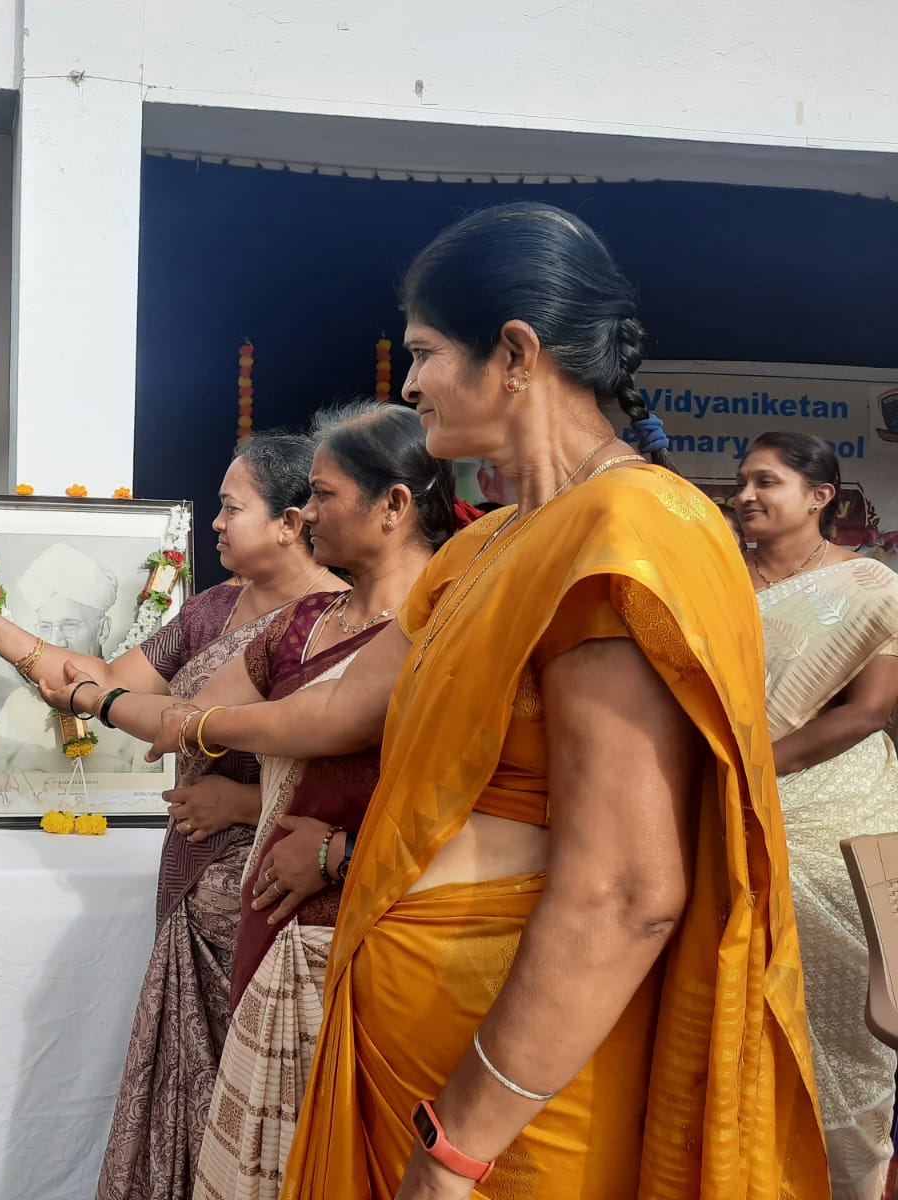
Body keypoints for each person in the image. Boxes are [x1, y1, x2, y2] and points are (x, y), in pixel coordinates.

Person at [143, 203, 827, 1198]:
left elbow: (627, 893)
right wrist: (163, 714)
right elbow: (340, 709)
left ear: (513, 353)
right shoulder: (485, 545)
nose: (409, 382)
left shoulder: (623, 533)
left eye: (423, 352)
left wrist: (458, 1145)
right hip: (403, 1042)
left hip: (510, 1106)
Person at [59, 402, 462, 1200]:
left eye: (323, 495)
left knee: (356, 1161)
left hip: (382, 936)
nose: (306, 514)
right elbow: (183, 716)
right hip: (273, 925)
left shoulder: (451, 624)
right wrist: (92, 697)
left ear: (393, 506)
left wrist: (339, 854)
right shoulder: (305, 623)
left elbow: (458, 800)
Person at [0, 432, 344, 1200]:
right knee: (190, 1084)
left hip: (273, 888)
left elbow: (352, 770)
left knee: (264, 1098)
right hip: (192, 872)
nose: (215, 523)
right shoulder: (213, 608)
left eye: (231, 508)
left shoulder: (336, 624)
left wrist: (246, 801)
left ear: (291, 522)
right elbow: (100, 681)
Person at [739, 432, 898, 1200]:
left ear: (820, 496)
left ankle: (850, 1175)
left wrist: (757, 770)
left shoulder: (868, 584)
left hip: (832, 813)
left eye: (766, 481)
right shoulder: (715, 578)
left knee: (842, 1021)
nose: (745, 495)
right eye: (741, 481)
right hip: (722, 806)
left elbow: (869, 710)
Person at [0, 541, 148, 773]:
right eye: (46, 627)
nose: (57, 641)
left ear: (103, 630)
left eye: (70, 625)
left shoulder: (136, 706)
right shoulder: (18, 702)